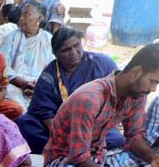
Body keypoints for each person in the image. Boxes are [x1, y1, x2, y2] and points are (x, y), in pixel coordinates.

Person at [44, 43, 159, 167]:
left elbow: (134, 137)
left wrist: (153, 158)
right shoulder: (90, 98)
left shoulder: (136, 95)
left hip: (99, 158)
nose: (153, 89)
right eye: (152, 81)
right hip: (65, 160)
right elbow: (78, 157)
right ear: (136, 72)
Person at [15, 26, 121, 154]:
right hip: (59, 127)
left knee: (116, 140)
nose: (73, 52)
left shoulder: (103, 64)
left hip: (94, 125)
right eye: (66, 50)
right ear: (56, 54)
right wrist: (64, 137)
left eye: (76, 45)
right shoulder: (49, 74)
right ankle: (67, 150)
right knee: (23, 125)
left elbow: (118, 94)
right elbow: (44, 112)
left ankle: (70, 150)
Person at [0, 1, 52, 108]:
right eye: (21, 14)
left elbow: (53, 69)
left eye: (26, 14)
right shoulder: (12, 37)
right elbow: (1, 66)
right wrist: (22, 83)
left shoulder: (48, 40)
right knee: (15, 103)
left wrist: (39, 86)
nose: (21, 18)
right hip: (13, 85)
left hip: (39, 86)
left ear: (39, 19)